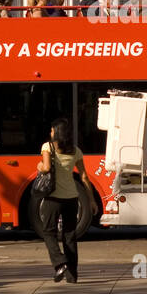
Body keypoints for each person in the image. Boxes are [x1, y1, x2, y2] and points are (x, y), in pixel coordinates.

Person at [35, 118, 88, 283]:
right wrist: (91, 200)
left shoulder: (47, 147)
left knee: (49, 232)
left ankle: (60, 263)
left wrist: (38, 166)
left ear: (56, 132)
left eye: (51, 130)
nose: (50, 133)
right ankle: (72, 276)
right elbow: (84, 176)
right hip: (72, 198)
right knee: (69, 236)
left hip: (53, 198)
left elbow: (46, 167)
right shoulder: (76, 151)